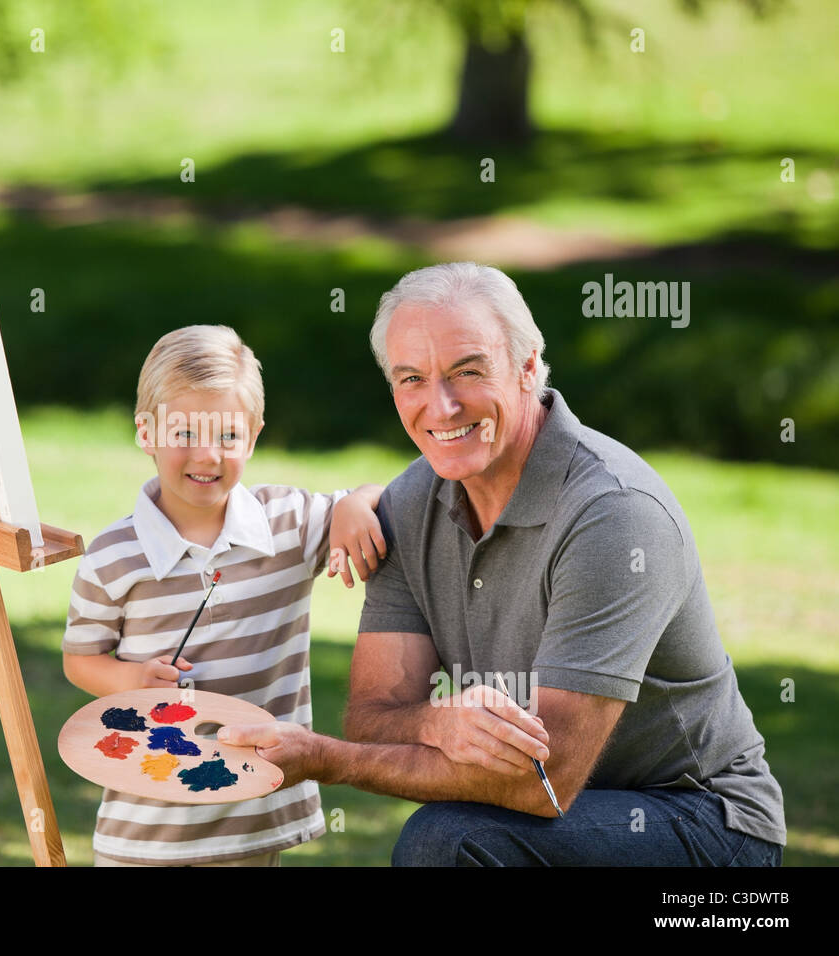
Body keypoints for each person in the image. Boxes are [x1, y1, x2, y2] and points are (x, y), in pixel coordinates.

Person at [218, 262, 787, 866]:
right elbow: (373, 717)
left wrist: (323, 758)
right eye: (412, 378)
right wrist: (436, 724)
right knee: (456, 834)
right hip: (556, 820)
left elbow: (541, 780)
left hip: (702, 822)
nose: (441, 405)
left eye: (468, 370)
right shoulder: (410, 505)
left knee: (449, 840)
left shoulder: (613, 516)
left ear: (528, 366)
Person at [61, 324, 385, 866]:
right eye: (185, 432)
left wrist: (356, 502)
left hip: (250, 816)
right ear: (146, 432)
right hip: (144, 823)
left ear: (253, 434)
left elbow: (387, 494)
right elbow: (80, 659)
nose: (207, 455)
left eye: (227, 435)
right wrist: (130, 679)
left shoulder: (289, 524)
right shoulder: (112, 555)